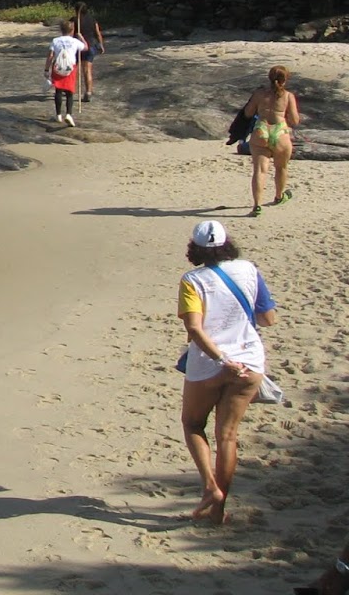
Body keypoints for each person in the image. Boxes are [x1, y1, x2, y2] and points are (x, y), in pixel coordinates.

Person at [177, 219, 277, 527]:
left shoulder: (192, 280)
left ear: (195, 248)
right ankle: (219, 512)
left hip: (210, 363)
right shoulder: (249, 270)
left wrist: (221, 357)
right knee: (228, 436)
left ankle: (210, 487)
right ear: (227, 244)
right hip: (249, 362)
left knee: (193, 423)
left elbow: (194, 328)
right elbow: (268, 318)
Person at [242, 65, 301, 216]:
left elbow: (248, 113)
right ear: (285, 79)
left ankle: (257, 206)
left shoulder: (259, 93)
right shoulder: (288, 96)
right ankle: (279, 196)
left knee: (260, 171)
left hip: (261, 131)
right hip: (280, 132)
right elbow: (294, 120)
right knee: (281, 167)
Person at [45, 18, 86, 127]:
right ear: (72, 30)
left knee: (58, 90)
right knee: (69, 92)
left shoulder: (55, 40)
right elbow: (85, 48)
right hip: (70, 67)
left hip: (57, 66)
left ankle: (58, 115)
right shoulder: (75, 41)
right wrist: (81, 37)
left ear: (61, 30)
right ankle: (68, 114)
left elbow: (50, 56)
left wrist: (46, 69)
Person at [75, 2, 106, 102]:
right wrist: (101, 45)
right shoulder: (92, 19)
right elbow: (97, 33)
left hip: (78, 47)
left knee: (73, 69)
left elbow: (69, 34)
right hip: (91, 46)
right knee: (87, 70)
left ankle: (69, 89)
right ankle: (88, 92)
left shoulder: (74, 20)